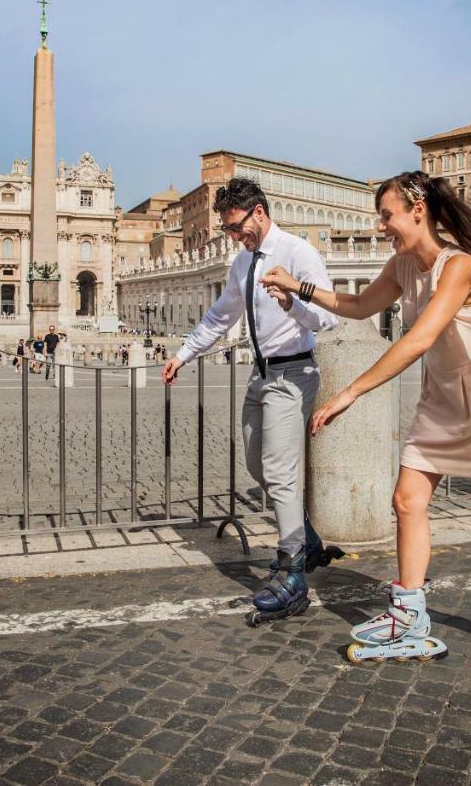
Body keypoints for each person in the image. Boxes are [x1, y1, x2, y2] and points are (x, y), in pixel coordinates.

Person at [262, 171, 471, 691]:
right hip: (442, 396)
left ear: (418, 209)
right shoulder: (400, 265)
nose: (381, 226)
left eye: (387, 215)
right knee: (407, 499)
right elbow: (356, 307)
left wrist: (350, 391)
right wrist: (296, 287)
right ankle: (409, 614)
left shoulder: (457, 264)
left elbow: (419, 339)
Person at [162, 177, 342, 627]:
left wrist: (293, 303)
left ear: (259, 212)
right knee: (259, 467)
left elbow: (327, 317)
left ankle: (293, 573)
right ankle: (310, 540)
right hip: (260, 375)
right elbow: (220, 315)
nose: (234, 236)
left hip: (294, 371)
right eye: (228, 230)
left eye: (237, 227)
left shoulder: (299, 253)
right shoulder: (242, 263)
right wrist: (183, 354)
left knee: (280, 472)